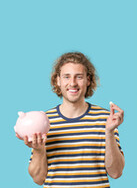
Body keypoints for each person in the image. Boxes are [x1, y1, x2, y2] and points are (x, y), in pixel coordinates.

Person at [21, 51, 125, 187]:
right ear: (58, 80)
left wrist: (109, 132)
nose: (73, 83)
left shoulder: (106, 119)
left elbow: (116, 172)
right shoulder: (44, 121)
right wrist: (39, 150)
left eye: (79, 77)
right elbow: (38, 179)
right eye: (66, 77)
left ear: (88, 80)